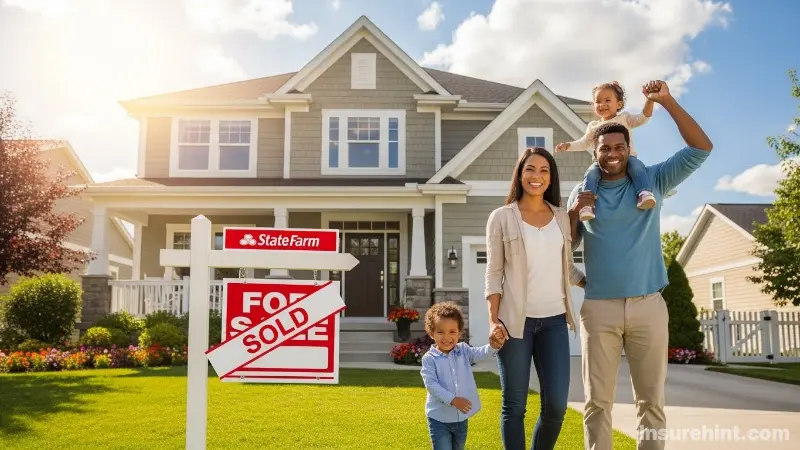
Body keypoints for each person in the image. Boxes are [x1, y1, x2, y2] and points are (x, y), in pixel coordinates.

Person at [567, 80, 713, 450]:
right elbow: (563, 246)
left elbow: (701, 147)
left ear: (630, 149)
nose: (612, 152)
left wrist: (666, 102)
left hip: (649, 305)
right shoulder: (584, 192)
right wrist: (574, 216)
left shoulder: (656, 181)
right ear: (594, 153)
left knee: (651, 402)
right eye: (605, 148)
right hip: (600, 309)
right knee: (597, 403)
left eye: (619, 146)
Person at [484, 146, 587, 450]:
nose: (537, 176)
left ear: (551, 177)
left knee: (556, 406)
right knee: (514, 406)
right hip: (515, 323)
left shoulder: (560, 217)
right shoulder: (502, 217)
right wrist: (493, 321)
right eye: (530, 169)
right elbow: (493, 273)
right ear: (520, 173)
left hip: (554, 322)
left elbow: (566, 267)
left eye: (544, 170)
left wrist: (592, 283)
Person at [555, 81, 655, 221]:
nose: (602, 104)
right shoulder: (594, 126)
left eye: (607, 100)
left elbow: (643, 118)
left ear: (618, 104)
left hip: (628, 158)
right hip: (601, 163)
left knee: (638, 168)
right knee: (590, 175)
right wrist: (568, 145)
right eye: (598, 101)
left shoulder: (624, 118)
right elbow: (584, 142)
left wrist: (650, 100)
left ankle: (644, 193)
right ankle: (587, 206)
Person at [420, 301, 502, 450]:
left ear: (459, 333)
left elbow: (479, 353)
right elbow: (432, 385)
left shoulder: (463, 350)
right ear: (431, 333)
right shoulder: (429, 359)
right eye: (440, 332)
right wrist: (453, 400)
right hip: (438, 419)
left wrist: (493, 346)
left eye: (452, 332)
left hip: (461, 418)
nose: (447, 337)